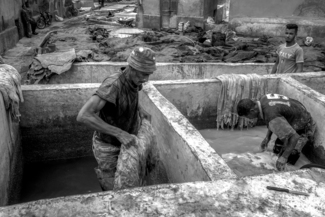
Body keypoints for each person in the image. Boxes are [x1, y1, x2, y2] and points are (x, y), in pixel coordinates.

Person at [77, 47, 156, 190]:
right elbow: (84, 115)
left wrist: (140, 109)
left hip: (126, 141)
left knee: (129, 179)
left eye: (148, 74)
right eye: (143, 74)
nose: (146, 79)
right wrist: (119, 133)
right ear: (132, 67)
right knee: (112, 185)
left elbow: (130, 97)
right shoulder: (113, 85)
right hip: (108, 146)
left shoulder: (135, 81)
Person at [237, 93, 316, 171]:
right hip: (294, 116)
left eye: (247, 116)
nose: (249, 119)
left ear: (252, 111)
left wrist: (284, 158)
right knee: (277, 150)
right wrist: (267, 138)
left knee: (289, 159)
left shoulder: (270, 115)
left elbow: (295, 137)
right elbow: (273, 120)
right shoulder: (263, 99)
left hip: (303, 124)